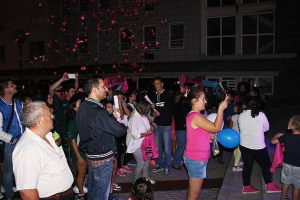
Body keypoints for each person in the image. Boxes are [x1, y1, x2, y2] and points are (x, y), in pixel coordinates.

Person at [76, 75, 127, 200]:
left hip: (91, 155)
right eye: (103, 86)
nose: (106, 88)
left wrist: (109, 118)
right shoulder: (98, 111)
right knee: (101, 195)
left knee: (94, 191)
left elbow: (96, 127)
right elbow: (120, 130)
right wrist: (115, 120)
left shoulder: (83, 106)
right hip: (102, 158)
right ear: (94, 89)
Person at [12, 101, 74, 199]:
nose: (52, 116)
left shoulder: (47, 136)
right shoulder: (27, 148)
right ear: (40, 120)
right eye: (49, 114)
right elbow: (27, 191)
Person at [184, 87, 228, 200]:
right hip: (196, 159)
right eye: (203, 99)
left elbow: (196, 134)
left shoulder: (194, 115)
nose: (206, 101)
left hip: (195, 157)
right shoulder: (195, 116)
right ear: (194, 100)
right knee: (194, 195)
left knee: (191, 190)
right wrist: (220, 109)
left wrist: (208, 136)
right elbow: (216, 127)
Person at [238, 96, 280, 194]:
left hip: (244, 145)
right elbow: (266, 128)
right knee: (267, 166)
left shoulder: (241, 115)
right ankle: (269, 185)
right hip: (258, 146)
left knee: (247, 166)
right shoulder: (261, 115)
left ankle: (246, 186)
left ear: (245, 105)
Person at [0, 79, 25, 200]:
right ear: (6, 89)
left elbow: (24, 120)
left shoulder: (18, 102)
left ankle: (24, 192)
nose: (15, 86)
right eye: (11, 85)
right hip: (10, 143)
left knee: (23, 168)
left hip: (23, 141)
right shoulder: (0, 106)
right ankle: (9, 195)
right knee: (8, 171)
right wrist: (12, 139)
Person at [271, 115, 300, 200]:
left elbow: (273, 142)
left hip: (287, 164)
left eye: (289, 122)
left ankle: (283, 197)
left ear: (292, 126)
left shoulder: (286, 137)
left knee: (286, 183)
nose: (288, 123)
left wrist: (276, 135)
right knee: (297, 186)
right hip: (299, 166)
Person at [126, 100, 155, 184]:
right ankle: (136, 181)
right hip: (135, 144)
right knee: (141, 162)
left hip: (144, 142)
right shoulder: (134, 119)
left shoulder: (142, 116)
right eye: (148, 109)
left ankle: (145, 178)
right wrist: (147, 133)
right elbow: (135, 136)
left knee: (147, 160)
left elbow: (145, 123)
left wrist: (151, 122)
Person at [66, 93, 87, 200]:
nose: (82, 104)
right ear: (74, 107)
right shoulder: (72, 122)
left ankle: (82, 187)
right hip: (79, 151)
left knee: (85, 172)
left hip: (85, 150)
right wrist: (78, 157)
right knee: (81, 173)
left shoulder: (82, 118)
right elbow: (73, 141)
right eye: (79, 103)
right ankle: (81, 194)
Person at [151, 77, 173, 176]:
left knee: (167, 148)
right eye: (155, 84)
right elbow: (152, 111)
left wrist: (157, 108)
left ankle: (167, 166)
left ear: (162, 84)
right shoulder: (154, 95)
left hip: (166, 125)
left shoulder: (167, 94)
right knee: (158, 147)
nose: (156, 86)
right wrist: (153, 112)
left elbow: (169, 109)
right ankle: (160, 164)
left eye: (158, 83)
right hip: (157, 124)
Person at [172, 89, 189, 170]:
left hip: (181, 128)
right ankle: (176, 163)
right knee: (181, 146)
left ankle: (178, 161)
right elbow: (186, 107)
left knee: (182, 146)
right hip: (180, 128)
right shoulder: (178, 106)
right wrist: (185, 96)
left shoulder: (178, 106)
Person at [229, 102, 243, 172]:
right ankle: (235, 166)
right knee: (239, 150)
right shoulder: (242, 116)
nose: (233, 108)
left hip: (233, 135)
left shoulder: (232, 117)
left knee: (235, 149)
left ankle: (237, 161)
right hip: (240, 134)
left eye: (235, 107)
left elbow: (230, 128)